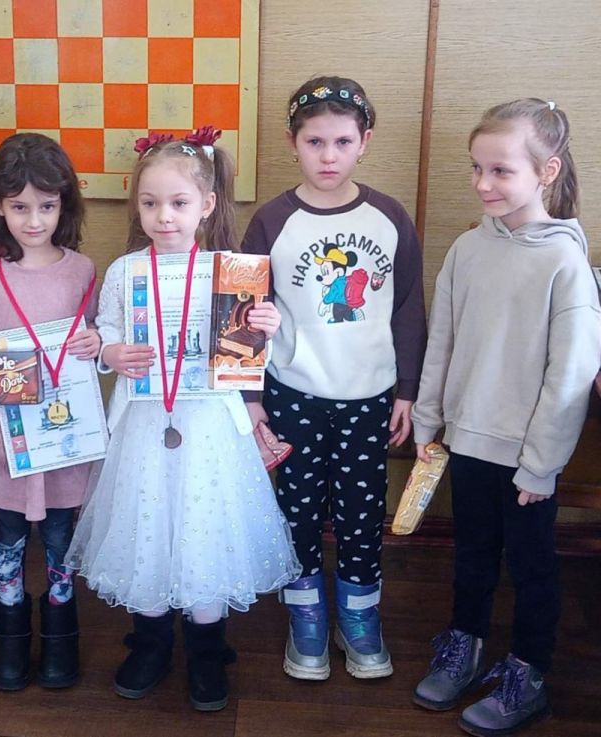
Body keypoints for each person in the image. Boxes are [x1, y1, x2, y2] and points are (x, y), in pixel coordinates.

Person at [66, 128, 302, 711]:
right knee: (145, 525)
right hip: (144, 426)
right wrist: (110, 351)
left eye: (178, 203)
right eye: (150, 203)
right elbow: (106, 334)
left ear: (207, 205)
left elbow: (257, 354)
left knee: (206, 530)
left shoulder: (232, 271)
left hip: (210, 428)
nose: (164, 216)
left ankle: (207, 649)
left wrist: (268, 327)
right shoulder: (125, 271)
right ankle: (149, 643)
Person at [410, 98, 601, 737]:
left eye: (500, 170)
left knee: (531, 567)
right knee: (471, 556)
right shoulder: (468, 249)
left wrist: (541, 465)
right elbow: (443, 341)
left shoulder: (565, 263)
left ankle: (528, 675)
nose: (483, 184)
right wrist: (429, 424)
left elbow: (569, 375)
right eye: (476, 168)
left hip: (526, 460)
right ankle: (463, 647)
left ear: (547, 172)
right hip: (466, 442)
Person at [240, 76, 427, 681]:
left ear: (364, 141)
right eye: (314, 141)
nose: (328, 156)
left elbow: (408, 310)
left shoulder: (389, 216)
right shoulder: (272, 221)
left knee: (361, 513)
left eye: (342, 142)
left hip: (370, 398)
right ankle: (306, 615)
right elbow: (243, 314)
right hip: (292, 395)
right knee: (295, 510)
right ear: (292, 142)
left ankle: (359, 614)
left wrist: (407, 391)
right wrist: (250, 397)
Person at [0, 133, 99, 691]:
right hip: (7, 434)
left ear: (64, 205)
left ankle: (61, 632)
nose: (33, 220)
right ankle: (10, 631)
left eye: (46, 206)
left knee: (61, 534)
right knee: (9, 534)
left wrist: (96, 341)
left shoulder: (82, 270)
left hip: (63, 432)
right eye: (19, 207)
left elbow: (96, 337)